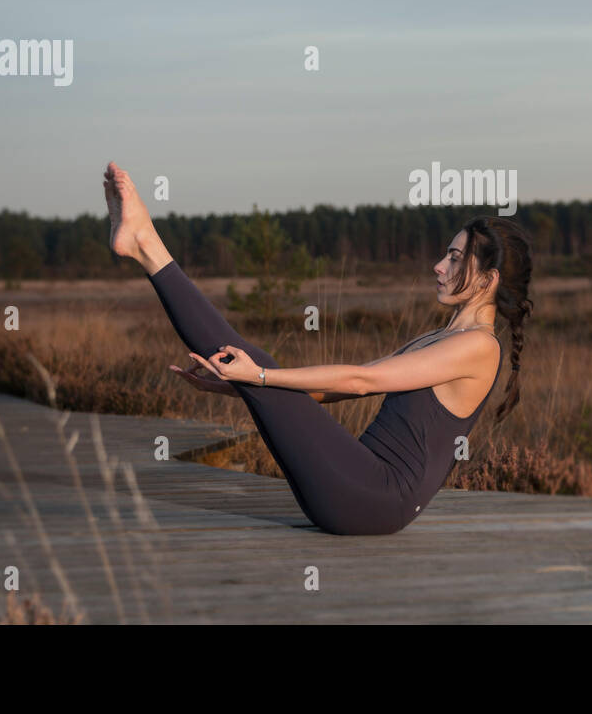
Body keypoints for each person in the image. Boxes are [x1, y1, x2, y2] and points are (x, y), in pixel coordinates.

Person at [102, 161, 534, 535]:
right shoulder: (442, 337)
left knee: (263, 364)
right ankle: (144, 250)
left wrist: (261, 376)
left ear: (487, 281)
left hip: (375, 499)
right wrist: (243, 388)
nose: (439, 266)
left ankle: (147, 245)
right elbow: (337, 391)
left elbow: (361, 381)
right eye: (447, 254)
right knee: (258, 367)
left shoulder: (479, 346)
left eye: (457, 259)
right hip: (356, 487)